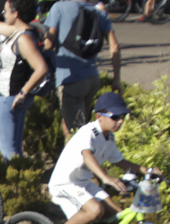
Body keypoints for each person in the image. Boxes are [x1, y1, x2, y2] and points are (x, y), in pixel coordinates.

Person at [45, 93, 160, 224]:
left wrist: (146, 170)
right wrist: (106, 178)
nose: (120, 121)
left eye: (122, 117)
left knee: (118, 216)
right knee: (94, 210)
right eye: (115, 117)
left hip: (82, 183)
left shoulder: (109, 138)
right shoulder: (88, 132)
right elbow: (87, 155)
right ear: (99, 116)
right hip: (64, 184)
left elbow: (120, 161)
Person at [0, 0, 48, 160]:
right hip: (11, 97)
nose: (4, 14)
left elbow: (41, 68)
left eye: (6, 11)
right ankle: (21, 177)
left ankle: (16, 180)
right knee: (14, 148)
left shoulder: (24, 38)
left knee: (8, 150)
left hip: (11, 98)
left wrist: (23, 92)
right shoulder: (17, 30)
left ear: (16, 13)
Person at [44, 0, 121, 138]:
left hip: (71, 80)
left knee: (73, 133)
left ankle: (76, 159)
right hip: (92, 78)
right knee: (79, 124)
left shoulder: (59, 8)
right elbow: (114, 46)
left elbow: (48, 43)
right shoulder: (99, 13)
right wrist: (116, 79)